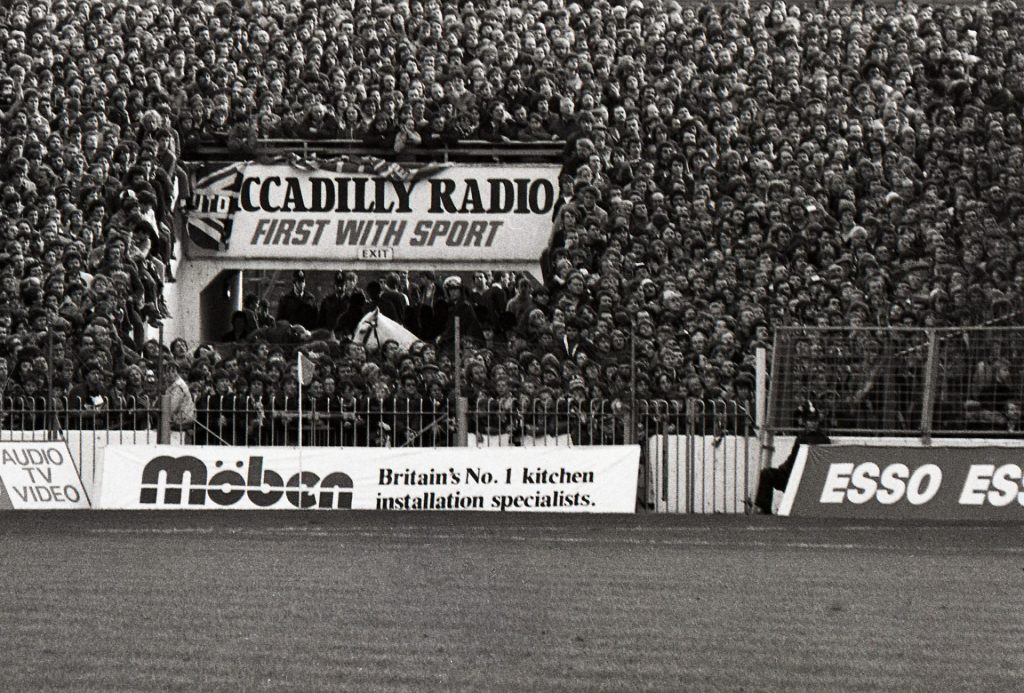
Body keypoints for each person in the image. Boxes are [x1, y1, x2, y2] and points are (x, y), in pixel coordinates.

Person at [753, 401, 831, 515]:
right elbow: (793, 458)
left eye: (814, 420)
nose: (812, 423)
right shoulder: (802, 437)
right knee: (766, 474)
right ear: (805, 422)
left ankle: (764, 511)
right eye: (810, 420)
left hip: (802, 478)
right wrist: (784, 469)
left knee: (767, 474)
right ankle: (765, 510)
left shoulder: (822, 439)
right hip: (790, 473)